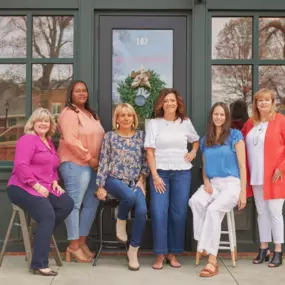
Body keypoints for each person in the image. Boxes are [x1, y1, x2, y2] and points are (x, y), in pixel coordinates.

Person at [7, 108, 74, 276]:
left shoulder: (49, 143)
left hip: (45, 185)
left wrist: (54, 182)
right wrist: (36, 186)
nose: (43, 123)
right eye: (40, 120)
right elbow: (21, 166)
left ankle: (41, 234)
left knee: (67, 204)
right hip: (21, 186)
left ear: (50, 124)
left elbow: (51, 166)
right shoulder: (27, 140)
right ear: (33, 123)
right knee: (47, 215)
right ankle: (39, 263)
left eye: (47, 121)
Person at [189, 102, 246, 278]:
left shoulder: (235, 135)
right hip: (213, 183)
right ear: (211, 116)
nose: (219, 117)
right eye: (216, 114)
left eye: (222, 114)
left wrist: (243, 192)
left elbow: (243, 166)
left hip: (231, 184)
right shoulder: (206, 139)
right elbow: (205, 166)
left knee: (213, 210)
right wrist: (206, 181)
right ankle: (203, 243)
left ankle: (212, 261)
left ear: (226, 117)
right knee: (195, 201)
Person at [144, 88, 200, 270]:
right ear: (162, 104)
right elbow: (150, 151)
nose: (169, 103)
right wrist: (155, 176)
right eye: (166, 100)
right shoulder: (154, 123)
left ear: (178, 103)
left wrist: (193, 151)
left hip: (182, 173)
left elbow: (196, 140)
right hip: (160, 174)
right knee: (159, 212)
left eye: (172, 100)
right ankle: (160, 254)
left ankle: (172, 253)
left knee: (179, 213)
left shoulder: (185, 122)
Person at [96, 103, 148, 271]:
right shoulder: (109, 136)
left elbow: (145, 161)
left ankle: (133, 251)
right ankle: (121, 221)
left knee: (142, 212)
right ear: (116, 119)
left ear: (134, 118)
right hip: (114, 179)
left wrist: (142, 179)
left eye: (129, 115)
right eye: (122, 115)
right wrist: (100, 185)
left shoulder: (141, 136)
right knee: (130, 197)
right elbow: (103, 161)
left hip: (135, 181)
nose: (126, 118)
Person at [57, 80, 105, 263]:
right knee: (74, 204)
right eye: (78, 91)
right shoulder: (69, 114)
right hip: (75, 163)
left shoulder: (91, 114)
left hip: (93, 166)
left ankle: (82, 242)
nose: (82, 93)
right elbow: (71, 140)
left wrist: (98, 162)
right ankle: (73, 246)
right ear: (70, 94)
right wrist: (89, 158)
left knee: (92, 203)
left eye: (84, 90)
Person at [242, 88, 285, 268]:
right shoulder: (250, 123)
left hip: (276, 175)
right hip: (256, 176)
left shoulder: (280, 121)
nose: (263, 103)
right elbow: (239, 144)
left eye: (267, 100)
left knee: (275, 213)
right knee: (261, 213)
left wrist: (281, 168)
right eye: (260, 100)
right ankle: (263, 248)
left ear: (273, 102)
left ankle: (278, 250)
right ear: (256, 104)